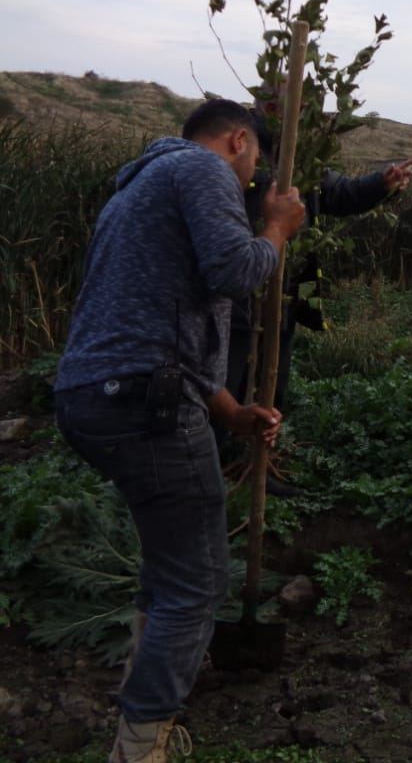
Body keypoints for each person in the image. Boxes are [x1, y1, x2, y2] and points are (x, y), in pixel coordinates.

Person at [53, 99, 306, 762]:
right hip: (146, 404)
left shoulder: (140, 186)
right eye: (254, 166)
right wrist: (277, 229)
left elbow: (157, 322)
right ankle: (140, 747)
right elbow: (236, 272)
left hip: (98, 395)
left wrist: (229, 411)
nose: (251, 182)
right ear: (239, 141)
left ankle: (142, 715)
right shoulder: (201, 169)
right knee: (196, 580)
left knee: (168, 569)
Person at [221, 113, 412, 433]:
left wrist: (382, 184)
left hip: (284, 291)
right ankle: (222, 461)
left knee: (273, 379)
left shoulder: (303, 164)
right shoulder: (241, 154)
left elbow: (342, 194)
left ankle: (260, 462)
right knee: (229, 380)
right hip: (238, 295)